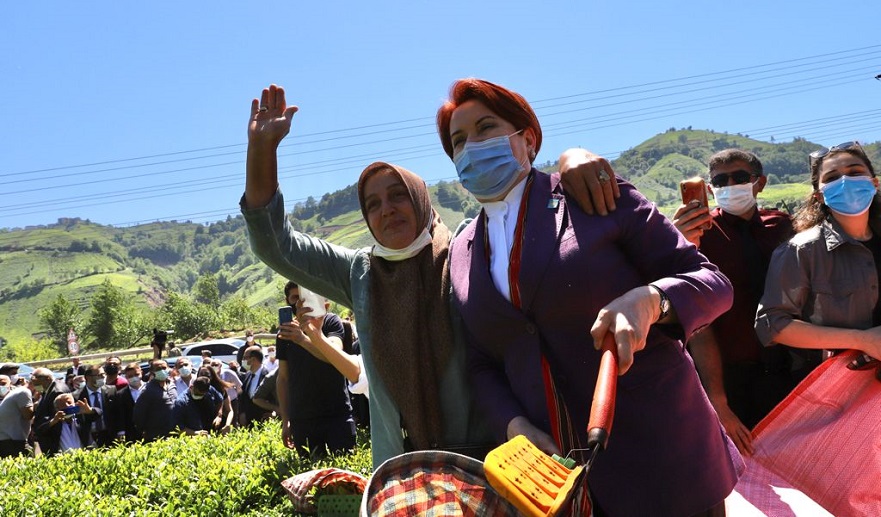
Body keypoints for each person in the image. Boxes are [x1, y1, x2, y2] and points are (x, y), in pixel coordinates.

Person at [241, 84, 618, 466]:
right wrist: (263, 150)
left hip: (486, 466)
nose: (386, 209)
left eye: (398, 195)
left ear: (421, 198)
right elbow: (276, 245)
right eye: (372, 204)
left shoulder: (468, 250)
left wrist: (573, 159)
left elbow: (533, 223)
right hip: (399, 474)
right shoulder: (360, 273)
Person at [437, 78, 741, 516]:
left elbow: (712, 282)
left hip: (663, 459)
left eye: (486, 128)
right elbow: (482, 362)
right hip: (558, 483)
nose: (472, 147)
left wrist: (652, 299)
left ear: (528, 139)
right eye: (459, 141)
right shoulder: (463, 254)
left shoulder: (592, 195)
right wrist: (514, 424)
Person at [671, 149, 795, 456]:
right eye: (720, 181)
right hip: (727, 378)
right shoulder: (700, 234)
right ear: (710, 189)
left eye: (740, 177)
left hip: (788, 370)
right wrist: (719, 403)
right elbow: (698, 321)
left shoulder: (782, 227)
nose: (730, 185)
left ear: (760, 183)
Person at [756, 142, 881, 371]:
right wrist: (861, 340)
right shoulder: (801, 251)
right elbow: (772, 324)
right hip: (838, 389)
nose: (845, 182)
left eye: (855, 172)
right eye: (832, 178)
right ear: (820, 196)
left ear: (874, 183)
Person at [73, 364, 119, 447]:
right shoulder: (76, 396)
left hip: (110, 434)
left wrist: (120, 431)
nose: (103, 377)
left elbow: (119, 412)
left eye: (103, 374)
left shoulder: (112, 390)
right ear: (88, 377)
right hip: (90, 437)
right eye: (99, 375)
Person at [133, 360, 178, 442]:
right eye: (158, 369)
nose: (162, 371)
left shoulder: (172, 385)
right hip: (156, 436)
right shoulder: (147, 391)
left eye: (164, 368)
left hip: (175, 433)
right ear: (152, 372)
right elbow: (138, 414)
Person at [31, 367, 70, 450]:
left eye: (37, 384)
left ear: (47, 379)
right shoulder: (49, 388)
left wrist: (41, 426)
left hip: (55, 439)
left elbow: (56, 416)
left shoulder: (57, 392)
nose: (36, 387)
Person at [0, 374, 35, 458]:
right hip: (8, 445)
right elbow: (28, 415)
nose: (0, 387)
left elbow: (28, 415)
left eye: (3, 384)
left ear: (10, 383)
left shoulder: (17, 394)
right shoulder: (18, 394)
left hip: (15, 444)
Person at [195, 365, 234, 433]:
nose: (204, 377)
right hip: (200, 427)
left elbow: (230, 411)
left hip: (218, 425)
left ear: (212, 376)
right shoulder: (194, 390)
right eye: (201, 375)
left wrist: (227, 425)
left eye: (207, 375)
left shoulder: (220, 390)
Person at [238, 345, 271, 426]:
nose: (243, 361)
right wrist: (242, 413)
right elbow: (243, 397)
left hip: (265, 422)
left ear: (253, 359)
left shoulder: (268, 376)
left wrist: (274, 413)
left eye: (245, 358)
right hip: (248, 423)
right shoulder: (247, 375)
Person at [116, 362, 146, 442]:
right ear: (126, 377)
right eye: (130, 376)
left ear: (141, 373)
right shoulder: (121, 394)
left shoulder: (150, 388)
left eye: (136, 375)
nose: (134, 378)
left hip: (151, 429)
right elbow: (120, 414)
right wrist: (121, 432)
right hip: (132, 434)